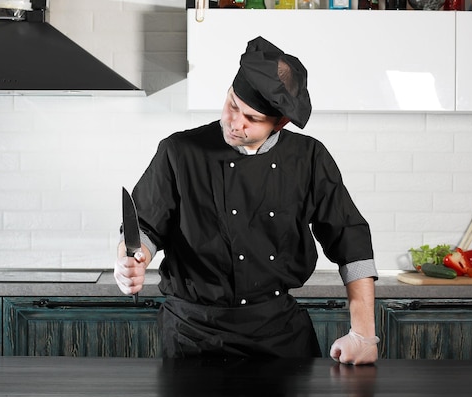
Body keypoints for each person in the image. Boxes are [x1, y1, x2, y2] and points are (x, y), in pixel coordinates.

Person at [114, 36, 379, 365]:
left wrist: (364, 334)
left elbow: (350, 239)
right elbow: (145, 227)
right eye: (232, 105)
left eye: (251, 119)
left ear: (279, 123)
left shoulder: (308, 157)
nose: (234, 122)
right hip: (192, 334)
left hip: (277, 333)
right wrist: (134, 259)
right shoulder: (179, 151)